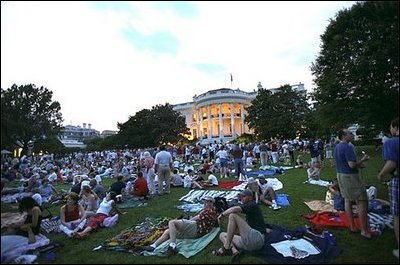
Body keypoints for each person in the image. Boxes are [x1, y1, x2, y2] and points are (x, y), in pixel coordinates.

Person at [143, 196, 218, 257]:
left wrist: (183, 221)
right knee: (168, 231)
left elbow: (194, 219)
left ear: (211, 203)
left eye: (207, 202)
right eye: (205, 201)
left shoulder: (209, 211)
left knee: (172, 223)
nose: (205, 203)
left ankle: (172, 246)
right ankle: (153, 246)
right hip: (196, 232)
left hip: (197, 228)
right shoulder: (211, 211)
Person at [334, 128, 371, 238]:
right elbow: (351, 165)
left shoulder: (337, 146)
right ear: (344, 136)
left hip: (340, 175)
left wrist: (358, 164)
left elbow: (343, 162)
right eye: (350, 133)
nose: (353, 134)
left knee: (347, 200)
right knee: (362, 201)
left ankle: (352, 226)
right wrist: (363, 160)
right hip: (350, 177)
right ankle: (364, 230)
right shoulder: (347, 147)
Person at [214, 189, 268, 260]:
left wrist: (222, 215)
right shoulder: (250, 207)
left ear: (250, 197)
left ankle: (226, 247)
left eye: (243, 196)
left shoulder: (253, 204)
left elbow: (234, 209)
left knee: (233, 215)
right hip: (250, 243)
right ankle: (235, 252)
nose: (241, 198)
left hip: (257, 239)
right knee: (222, 235)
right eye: (240, 197)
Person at [377, 117, 398, 259]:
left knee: (397, 215)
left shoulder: (391, 142)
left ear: (395, 127)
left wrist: (381, 174)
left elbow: (391, 163)